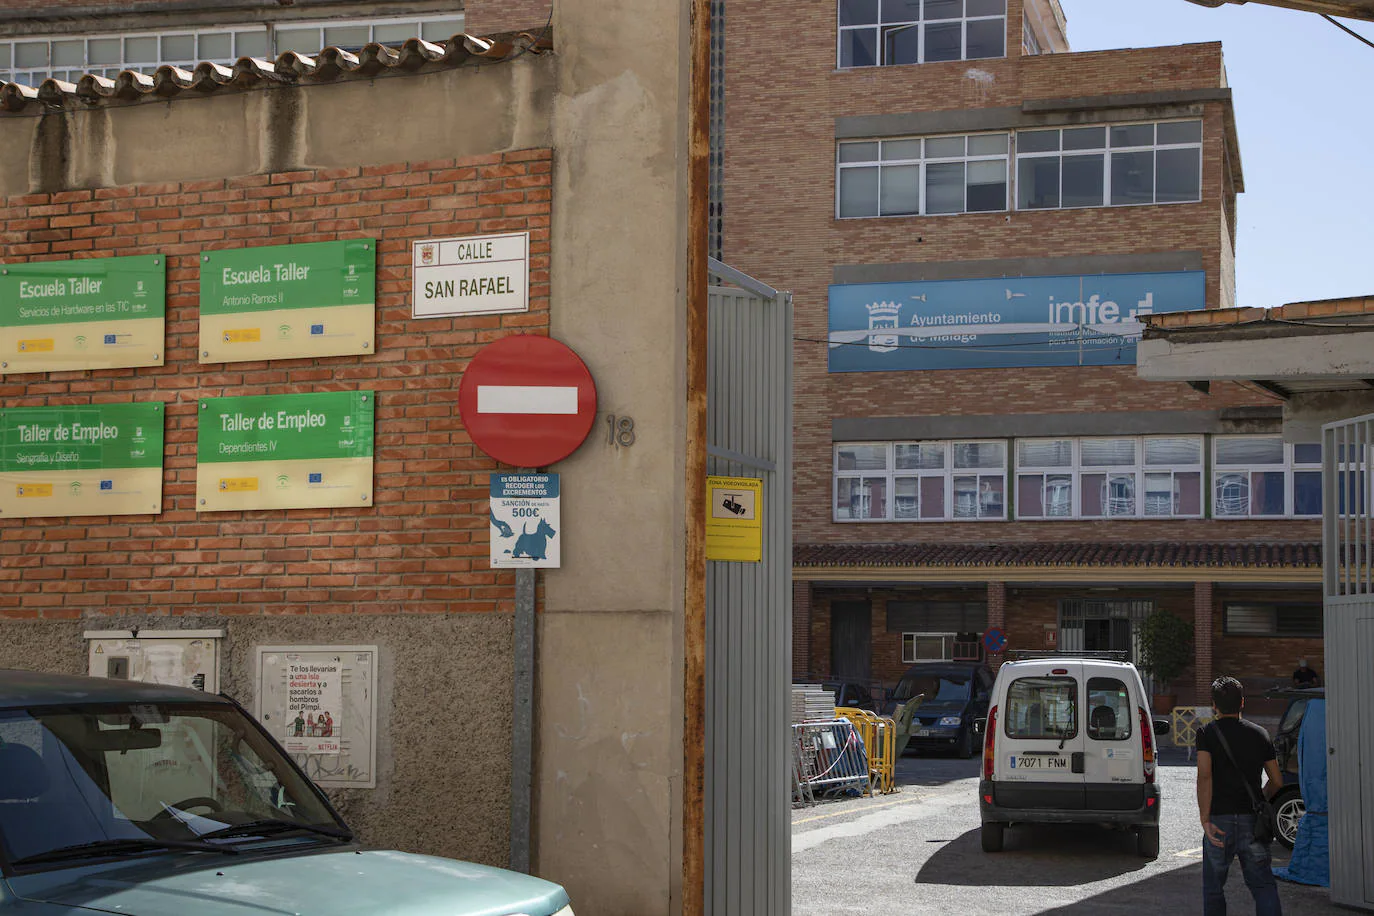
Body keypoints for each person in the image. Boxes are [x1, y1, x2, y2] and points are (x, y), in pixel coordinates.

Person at [1197, 676, 1284, 916]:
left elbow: (1205, 776)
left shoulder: (1206, 733)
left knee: (1214, 887)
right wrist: (1260, 798)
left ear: (1214, 704)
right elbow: (1277, 781)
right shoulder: (1260, 734)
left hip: (1218, 819)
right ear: (1242, 703)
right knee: (1263, 885)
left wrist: (1205, 818)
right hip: (1252, 821)